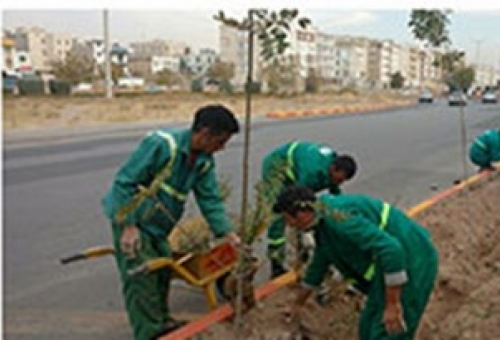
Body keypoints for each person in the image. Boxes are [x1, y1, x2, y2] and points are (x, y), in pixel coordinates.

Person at [102, 105, 241, 340]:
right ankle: (148, 333)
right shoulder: (163, 145)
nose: (222, 147)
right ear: (205, 133)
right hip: (134, 222)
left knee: (163, 272)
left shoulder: (204, 161)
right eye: (220, 141)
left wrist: (227, 234)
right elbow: (124, 184)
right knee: (141, 281)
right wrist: (128, 226)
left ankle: (162, 323)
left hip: (158, 227)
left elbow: (210, 199)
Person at [273, 185, 438, 339]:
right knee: (367, 329)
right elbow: (320, 262)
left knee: (388, 330)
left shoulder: (339, 219)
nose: (290, 225)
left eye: (289, 219)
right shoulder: (323, 224)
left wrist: (393, 305)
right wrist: (297, 303)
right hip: (388, 265)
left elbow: (391, 250)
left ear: (302, 213)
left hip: (413, 259)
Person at [261, 140, 357, 278]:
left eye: (342, 181)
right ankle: (276, 264)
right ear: (333, 169)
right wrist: (306, 234)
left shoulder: (332, 168)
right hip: (276, 168)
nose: (339, 183)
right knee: (280, 215)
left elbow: (335, 194)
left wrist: (342, 215)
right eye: (339, 179)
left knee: (302, 215)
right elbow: (298, 201)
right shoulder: (312, 173)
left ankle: (301, 253)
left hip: (296, 171)